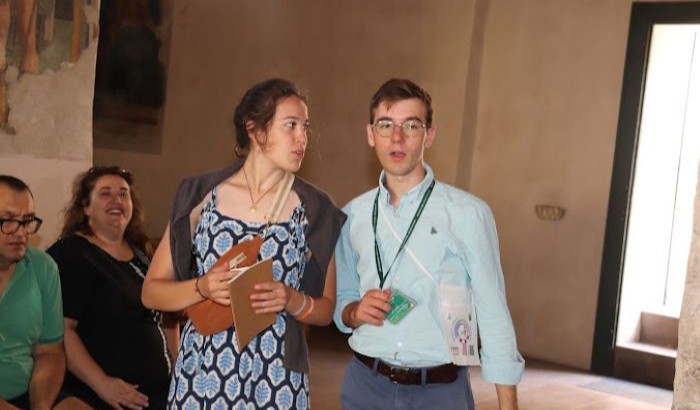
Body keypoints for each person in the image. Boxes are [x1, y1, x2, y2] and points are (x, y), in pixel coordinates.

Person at [142, 78, 346, 409]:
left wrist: (290, 298)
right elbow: (151, 291)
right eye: (291, 125)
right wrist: (202, 287)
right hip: (205, 368)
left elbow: (325, 309)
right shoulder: (199, 195)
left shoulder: (316, 209)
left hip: (276, 375)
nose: (302, 138)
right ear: (255, 130)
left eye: (305, 127)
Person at [334, 79, 525, 410]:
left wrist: (508, 405)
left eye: (411, 125)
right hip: (366, 387)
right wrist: (353, 311)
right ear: (371, 134)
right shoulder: (353, 215)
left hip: (440, 392)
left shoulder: (467, 214)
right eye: (385, 125)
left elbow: (493, 312)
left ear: (429, 135)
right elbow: (343, 303)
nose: (397, 138)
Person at [46, 166, 176, 409]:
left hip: (160, 394)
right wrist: (102, 383)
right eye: (105, 193)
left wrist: (177, 370)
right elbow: (61, 331)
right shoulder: (72, 253)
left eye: (123, 193)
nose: (117, 200)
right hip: (105, 398)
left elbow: (166, 315)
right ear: (86, 207)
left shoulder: (141, 254)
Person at [0, 175, 88, 410]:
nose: (21, 232)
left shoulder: (43, 267)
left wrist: (40, 406)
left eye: (27, 221)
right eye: (8, 221)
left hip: (25, 391)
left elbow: (49, 352)